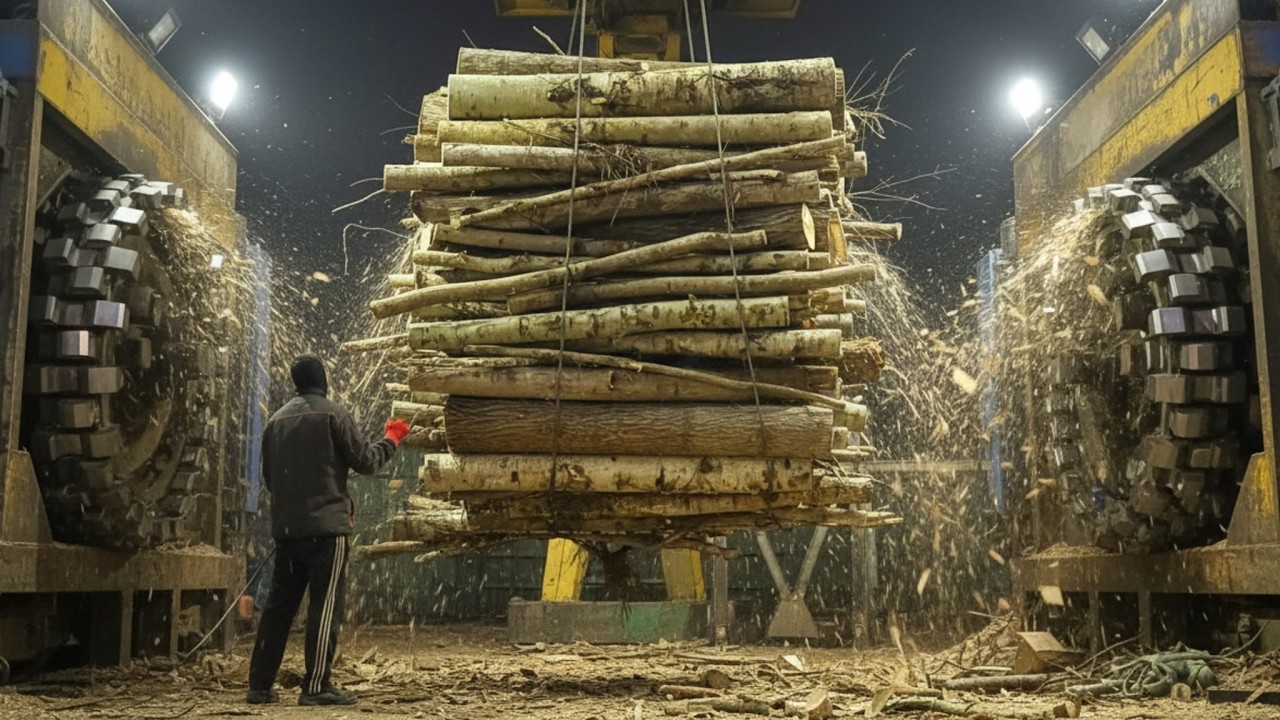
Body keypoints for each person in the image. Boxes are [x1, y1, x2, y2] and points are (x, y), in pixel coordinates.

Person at [246, 354, 411, 706]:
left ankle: (259, 686)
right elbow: (366, 462)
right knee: (324, 608)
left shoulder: (275, 421)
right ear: (322, 379)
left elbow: (270, 480)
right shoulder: (334, 414)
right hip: (327, 532)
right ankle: (316, 686)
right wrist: (392, 439)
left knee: (278, 608)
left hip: (288, 532)